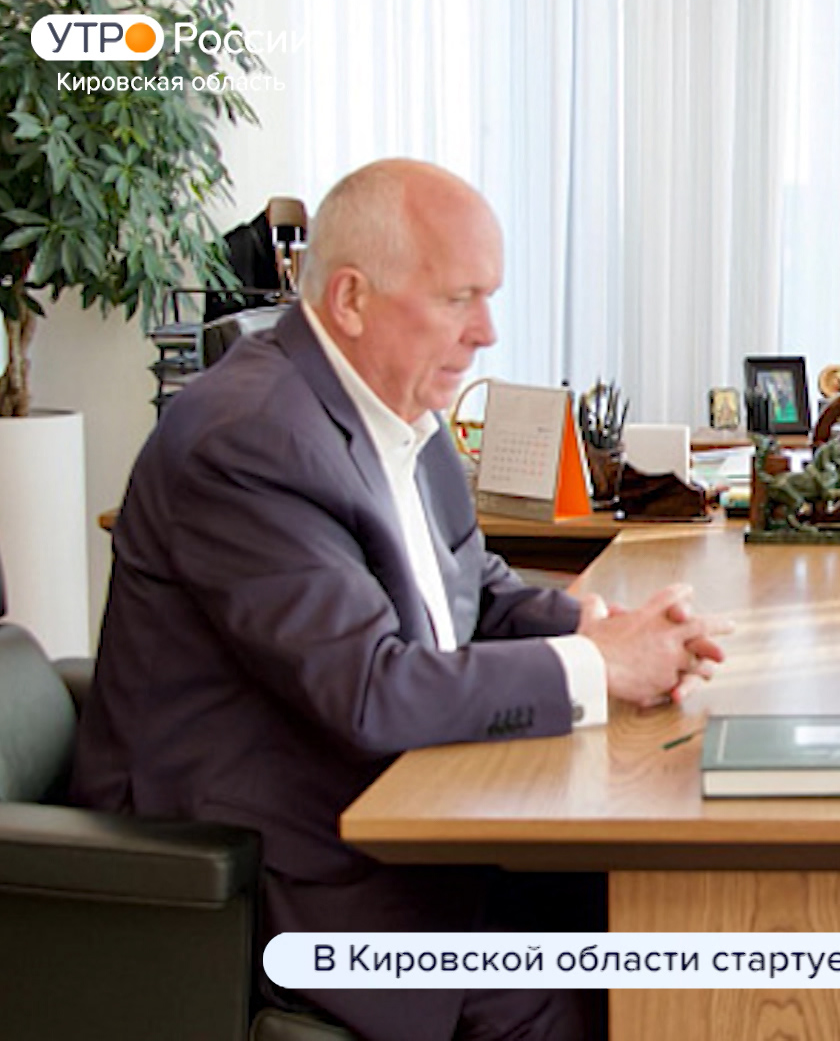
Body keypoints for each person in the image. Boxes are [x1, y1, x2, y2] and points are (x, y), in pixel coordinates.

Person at [72, 159, 728, 1041]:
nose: (487, 332)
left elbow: (470, 591)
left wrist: (600, 625)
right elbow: (371, 691)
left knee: (663, 914)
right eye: (460, 299)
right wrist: (593, 667)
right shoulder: (249, 440)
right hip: (274, 872)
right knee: (591, 986)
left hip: (395, 815)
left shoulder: (396, 411)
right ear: (350, 299)